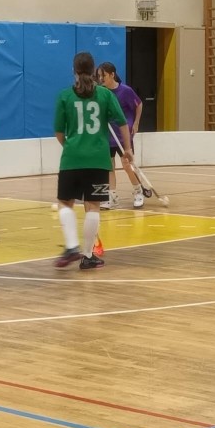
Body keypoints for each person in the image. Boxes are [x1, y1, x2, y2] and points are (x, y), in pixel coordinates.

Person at [53, 52, 132, 269]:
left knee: (65, 203)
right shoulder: (105, 95)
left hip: (71, 159)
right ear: (94, 71)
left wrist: (71, 147)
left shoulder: (64, 96)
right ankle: (88, 256)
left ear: (74, 70)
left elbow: (59, 132)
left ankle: (72, 246)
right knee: (94, 206)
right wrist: (127, 149)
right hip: (98, 160)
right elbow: (122, 122)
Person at [96, 62, 145, 210]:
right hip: (108, 135)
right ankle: (112, 196)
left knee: (127, 165)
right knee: (109, 166)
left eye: (103, 75)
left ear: (112, 74)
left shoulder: (125, 91)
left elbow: (139, 104)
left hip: (123, 135)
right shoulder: (102, 92)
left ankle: (138, 191)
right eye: (99, 76)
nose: (101, 79)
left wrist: (136, 123)